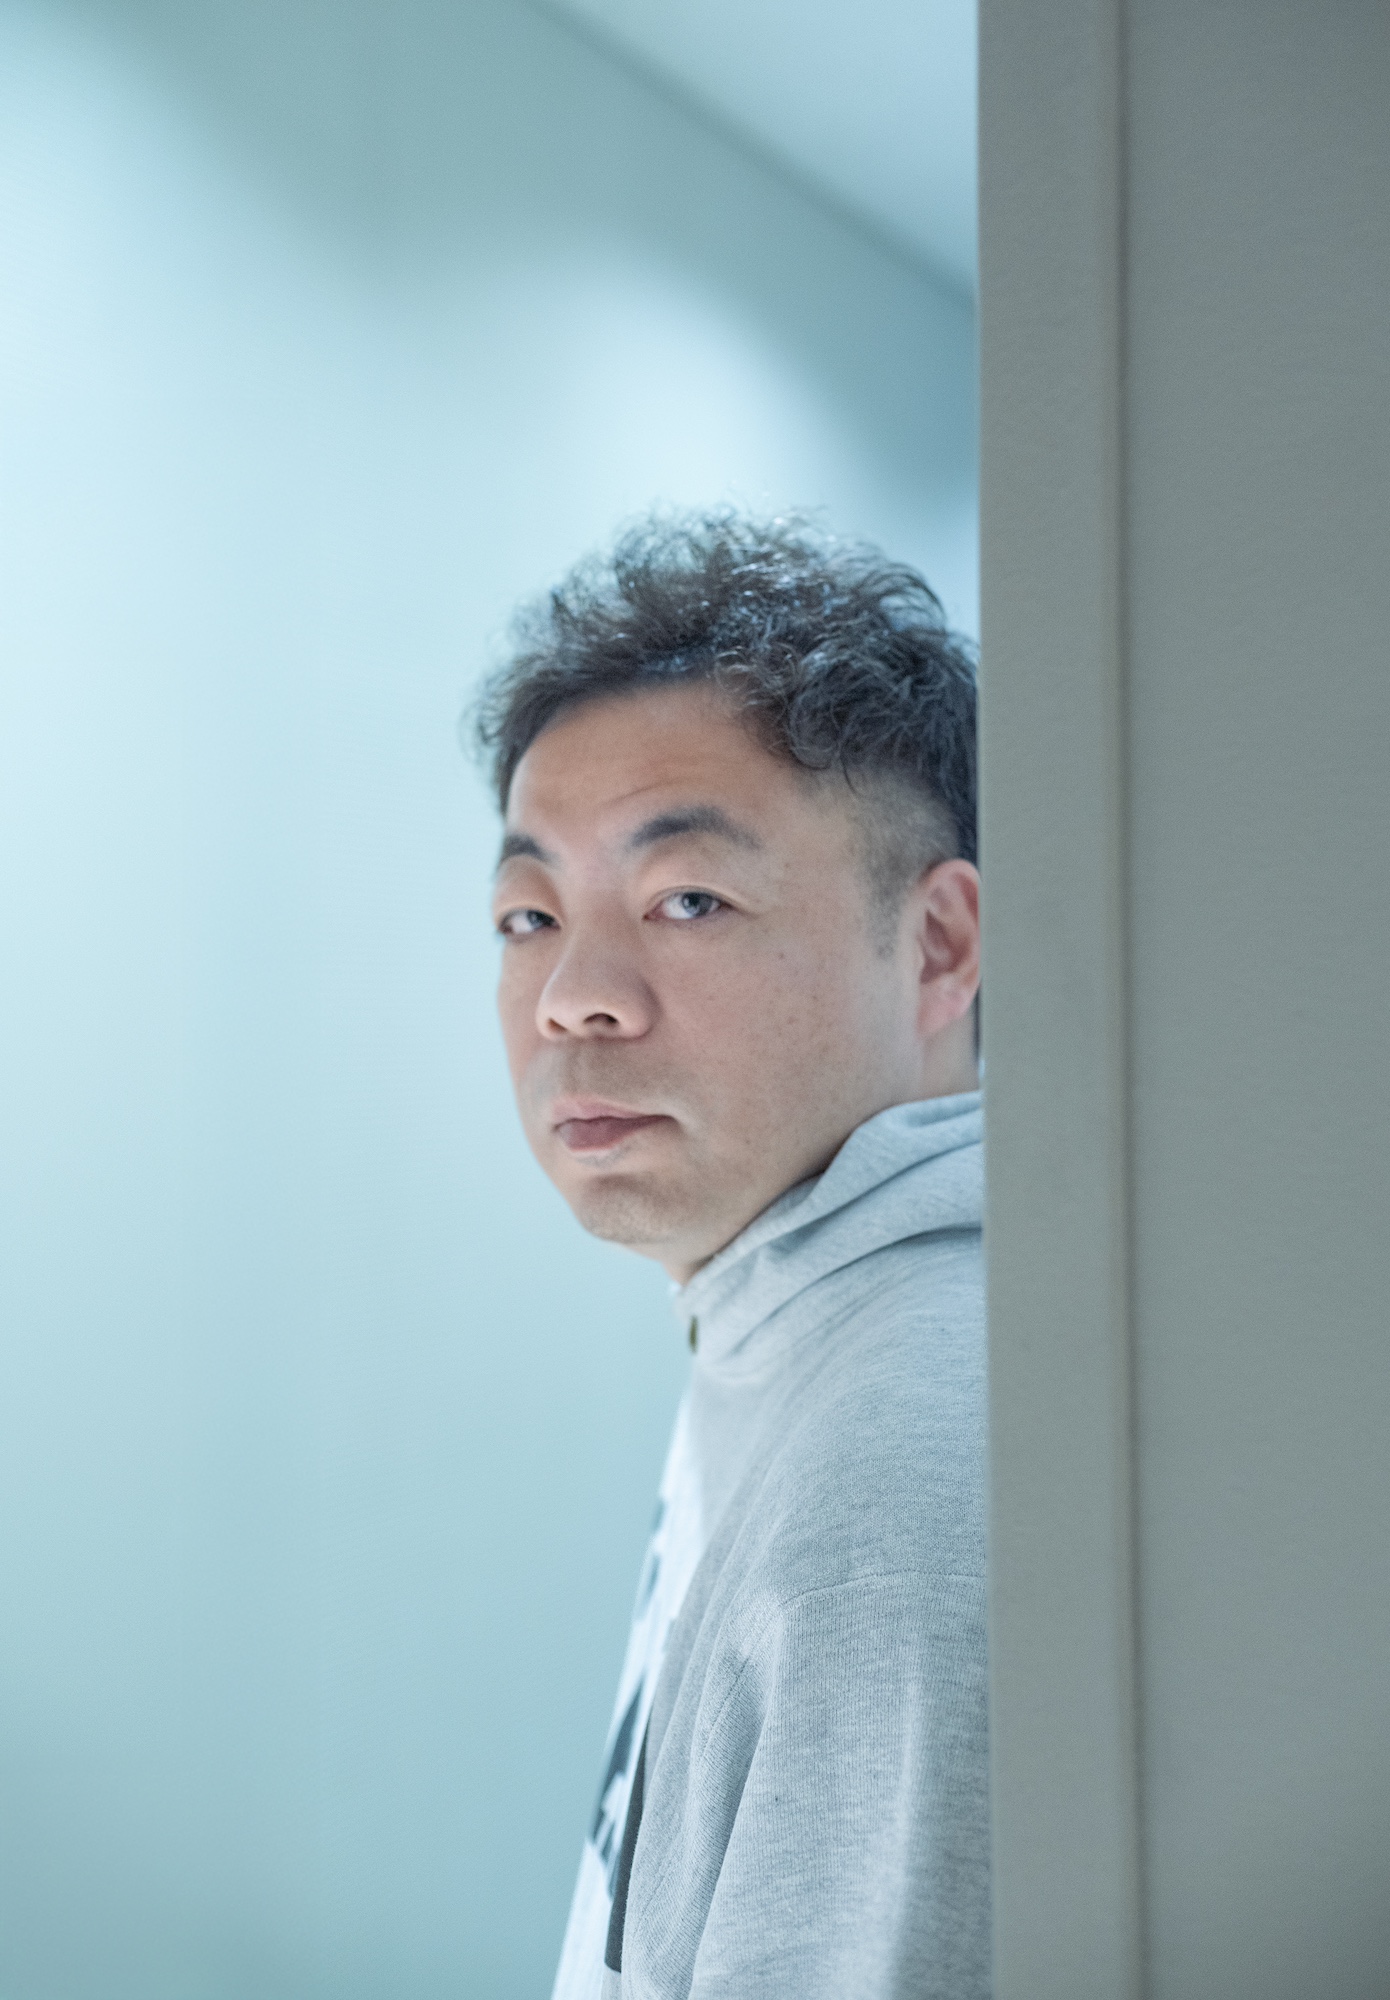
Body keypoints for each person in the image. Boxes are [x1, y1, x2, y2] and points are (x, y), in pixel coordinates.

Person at [470, 512, 987, 1998]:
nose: (573, 995)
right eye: (529, 913)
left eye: (687, 899)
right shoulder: (791, 1329)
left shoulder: (906, 1449)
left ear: (939, 947)